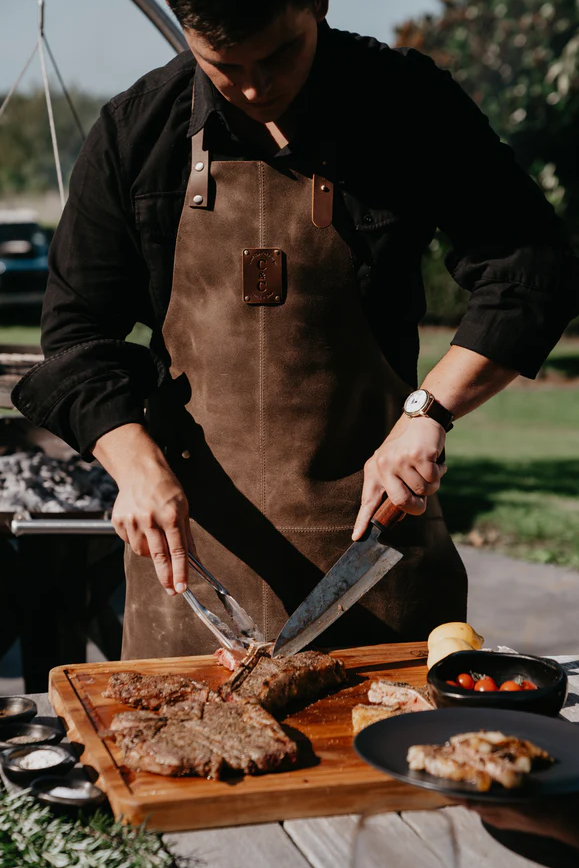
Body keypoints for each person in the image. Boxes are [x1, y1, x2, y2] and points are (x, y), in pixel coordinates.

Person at [13, 0, 579, 658]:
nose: (255, 87)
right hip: (191, 568)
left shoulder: (407, 103)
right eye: (223, 65)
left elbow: (529, 263)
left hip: (377, 548)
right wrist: (136, 468)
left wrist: (428, 410)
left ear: (316, 5)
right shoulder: (135, 130)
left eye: (278, 54)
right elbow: (77, 335)